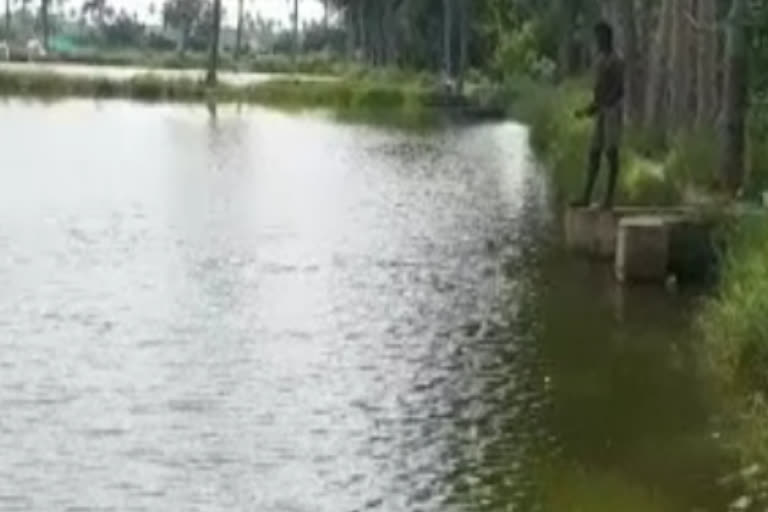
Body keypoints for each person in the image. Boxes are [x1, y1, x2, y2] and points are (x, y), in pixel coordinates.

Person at [572, 21, 625, 209]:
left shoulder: (616, 60)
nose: (598, 41)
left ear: (608, 38)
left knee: (611, 152)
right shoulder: (600, 60)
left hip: (612, 110)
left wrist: (602, 104)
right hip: (602, 109)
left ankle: (609, 198)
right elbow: (599, 91)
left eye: (600, 37)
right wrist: (590, 109)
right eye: (597, 38)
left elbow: (619, 89)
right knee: (594, 152)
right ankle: (586, 196)